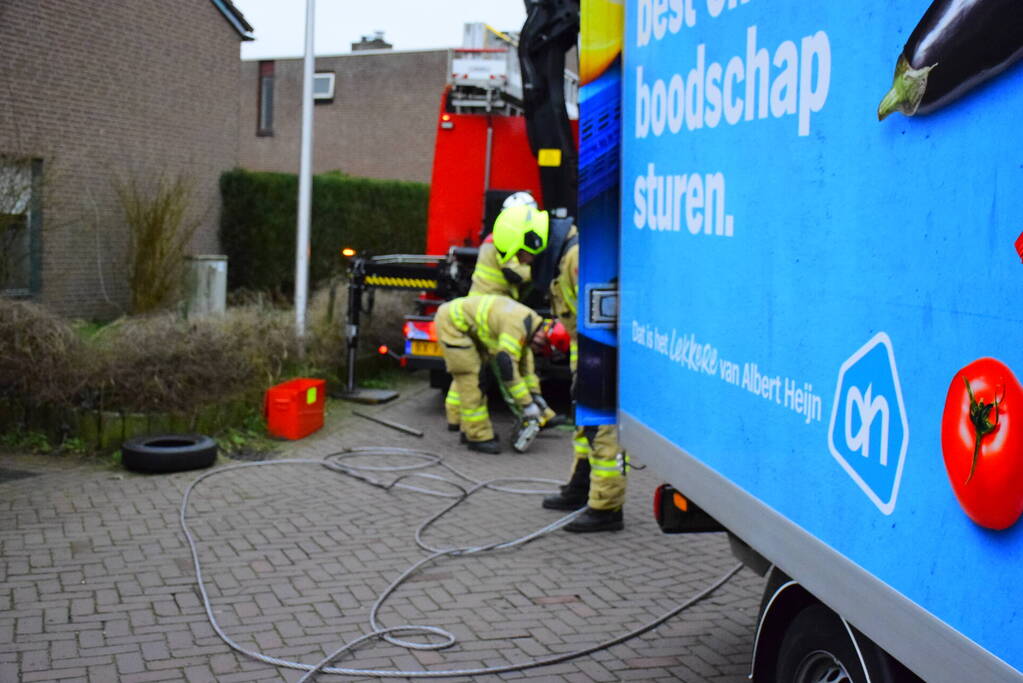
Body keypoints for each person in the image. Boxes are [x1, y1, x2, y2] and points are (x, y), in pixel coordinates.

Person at [533, 223, 629, 532]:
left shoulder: (576, 258)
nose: (522, 263)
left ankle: (607, 507)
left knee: (603, 430)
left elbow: (605, 315)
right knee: (585, 425)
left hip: (602, 355)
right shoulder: (565, 257)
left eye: (523, 256)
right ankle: (582, 487)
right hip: (588, 355)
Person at [445, 198, 558, 430]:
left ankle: (538, 412)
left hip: (492, 306)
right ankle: (532, 412)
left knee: (479, 365)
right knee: (491, 364)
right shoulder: (503, 238)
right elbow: (513, 273)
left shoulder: (498, 236)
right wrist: (542, 270)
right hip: (487, 309)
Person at [436, 294, 548, 454]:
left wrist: (535, 396)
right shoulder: (517, 327)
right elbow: (507, 368)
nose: (538, 352)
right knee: (472, 382)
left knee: (479, 380)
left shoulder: (529, 322)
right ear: (541, 336)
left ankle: (468, 430)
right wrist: (527, 404)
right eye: (540, 348)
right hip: (453, 326)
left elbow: (523, 369)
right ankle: (477, 437)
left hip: (466, 328)